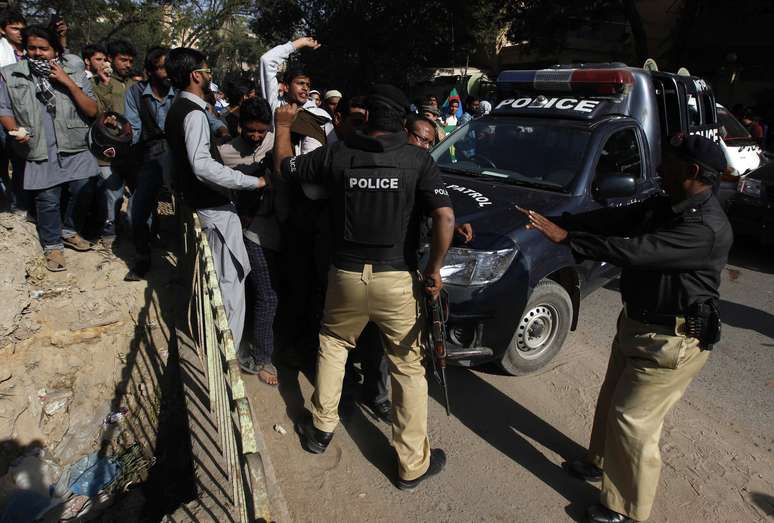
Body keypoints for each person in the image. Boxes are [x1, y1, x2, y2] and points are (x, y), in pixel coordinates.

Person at [522, 134, 733, 523]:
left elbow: (637, 251)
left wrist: (569, 238)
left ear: (691, 172)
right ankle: (599, 463)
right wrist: (562, 220)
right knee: (611, 400)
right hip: (638, 324)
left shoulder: (705, 228)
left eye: (667, 162)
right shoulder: (667, 203)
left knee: (632, 419)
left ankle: (626, 508)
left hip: (673, 339)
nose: (658, 168)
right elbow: (614, 218)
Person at [272, 84, 455, 490]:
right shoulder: (417, 160)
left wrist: (282, 127)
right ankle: (411, 465)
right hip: (397, 280)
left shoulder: (339, 154)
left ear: (367, 117)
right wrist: (436, 268)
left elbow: (286, 169)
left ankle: (320, 430)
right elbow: (445, 218)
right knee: (407, 367)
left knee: (335, 345)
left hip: (346, 275)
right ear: (404, 123)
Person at [165, 47, 266, 354]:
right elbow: (202, 166)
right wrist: (253, 182)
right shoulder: (193, 113)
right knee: (229, 286)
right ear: (196, 75)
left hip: (203, 206)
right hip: (214, 211)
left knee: (220, 283)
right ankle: (226, 356)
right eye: (207, 71)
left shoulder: (177, 108)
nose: (210, 76)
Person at [0, 25, 98, 271]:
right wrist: (14, 130)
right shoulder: (10, 74)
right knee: (48, 197)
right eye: (31, 48)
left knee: (83, 187)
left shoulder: (74, 71)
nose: (37, 53)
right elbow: (4, 109)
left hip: (74, 143)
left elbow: (93, 111)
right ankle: (53, 245)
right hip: (38, 143)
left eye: (43, 48)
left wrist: (68, 84)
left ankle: (69, 229)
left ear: (55, 50)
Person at [218, 97, 279, 384]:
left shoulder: (275, 144)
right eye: (250, 130)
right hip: (245, 230)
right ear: (240, 125)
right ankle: (260, 354)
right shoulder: (224, 153)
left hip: (275, 229)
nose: (256, 137)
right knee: (260, 293)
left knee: (264, 293)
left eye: (261, 131)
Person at [123, 46, 175, 279]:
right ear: (150, 71)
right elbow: (133, 130)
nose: (168, 72)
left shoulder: (181, 91)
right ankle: (143, 256)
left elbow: (204, 115)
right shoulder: (135, 93)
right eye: (162, 67)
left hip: (179, 153)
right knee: (138, 210)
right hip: (151, 154)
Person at [93, 38, 137, 244]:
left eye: (130, 61)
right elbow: (97, 111)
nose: (127, 65)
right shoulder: (96, 83)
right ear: (110, 59)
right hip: (107, 148)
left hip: (131, 148)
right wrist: (104, 84)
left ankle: (138, 228)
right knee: (112, 190)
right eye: (123, 60)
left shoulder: (134, 85)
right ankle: (109, 226)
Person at [0, 9, 27, 213]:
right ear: (3, 30)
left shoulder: (30, 51)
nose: (19, 32)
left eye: (21, 28)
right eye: (14, 28)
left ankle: (18, 204)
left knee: (21, 161)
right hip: (2, 112)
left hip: (23, 114)